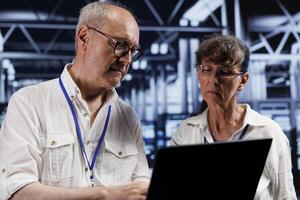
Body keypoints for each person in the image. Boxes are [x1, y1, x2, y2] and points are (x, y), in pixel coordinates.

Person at [0, 1, 150, 200]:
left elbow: (140, 188)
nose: (127, 59)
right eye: (121, 45)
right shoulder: (29, 103)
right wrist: (105, 195)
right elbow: (17, 192)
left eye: (133, 51)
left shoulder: (128, 118)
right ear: (84, 38)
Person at [171, 34, 297, 199]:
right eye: (207, 70)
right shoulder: (186, 132)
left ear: (243, 80)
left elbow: (286, 196)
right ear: (198, 74)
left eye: (225, 72)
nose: (214, 80)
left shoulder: (269, 132)